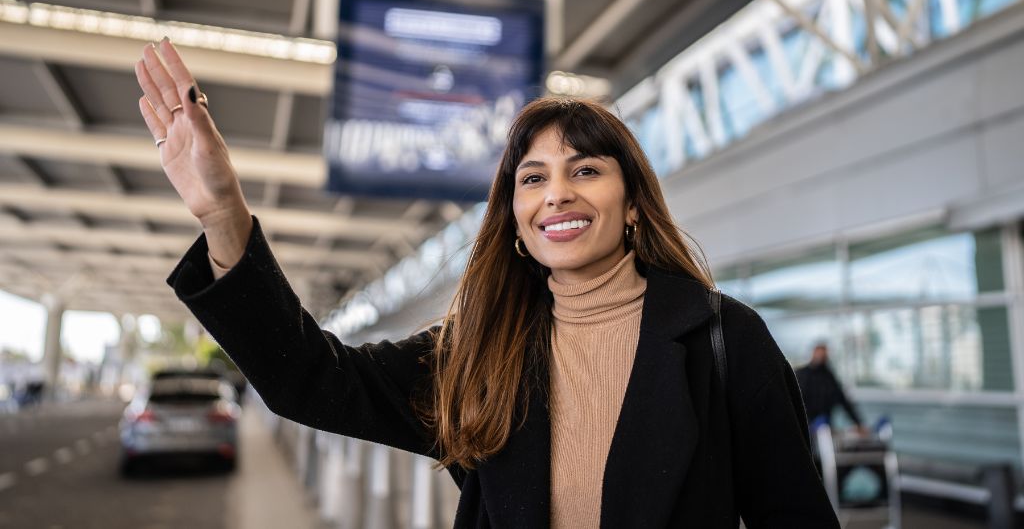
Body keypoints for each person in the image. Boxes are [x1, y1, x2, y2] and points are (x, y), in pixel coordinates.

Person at [133, 38, 839, 528]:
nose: (556, 194)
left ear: (631, 204)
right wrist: (225, 212)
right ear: (515, 217)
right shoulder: (479, 353)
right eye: (533, 179)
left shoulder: (722, 339)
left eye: (586, 170)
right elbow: (310, 379)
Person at [795, 342, 869, 436]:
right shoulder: (802, 375)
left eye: (824, 355)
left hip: (824, 428)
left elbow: (843, 401)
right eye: (819, 353)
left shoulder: (829, 378)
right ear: (813, 353)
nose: (821, 357)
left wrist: (858, 423)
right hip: (804, 426)